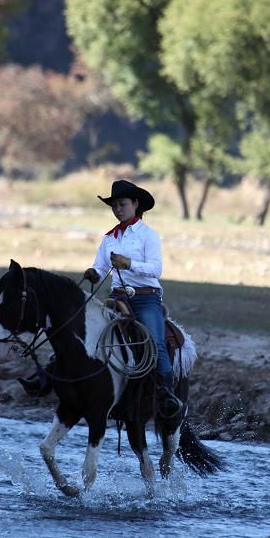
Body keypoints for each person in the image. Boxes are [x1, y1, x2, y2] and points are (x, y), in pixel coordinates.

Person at [83, 179, 183, 419]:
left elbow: (156, 269)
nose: (118, 209)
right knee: (89, 334)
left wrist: (129, 264)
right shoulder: (109, 238)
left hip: (145, 298)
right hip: (116, 298)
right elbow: (99, 268)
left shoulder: (149, 235)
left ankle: (167, 395)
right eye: (114, 205)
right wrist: (93, 274)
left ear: (136, 204)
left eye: (122, 204)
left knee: (156, 342)